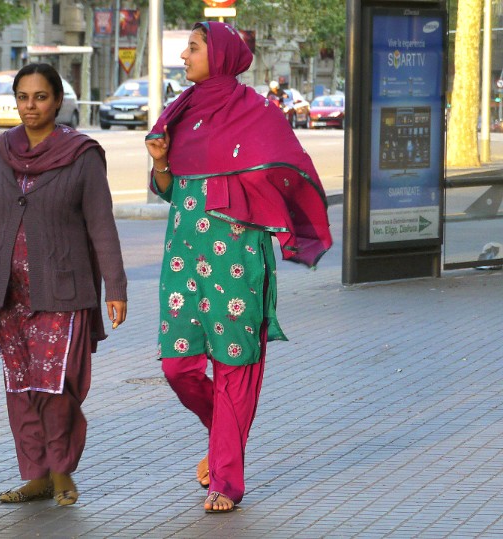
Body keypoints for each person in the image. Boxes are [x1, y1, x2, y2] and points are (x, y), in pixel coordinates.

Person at [144, 22, 332, 514]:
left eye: (193, 47)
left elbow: (290, 170)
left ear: (221, 55)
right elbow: (170, 189)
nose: (184, 55)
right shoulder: (179, 112)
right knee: (177, 366)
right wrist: (160, 162)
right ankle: (223, 437)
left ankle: (226, 481)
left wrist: (272, 204)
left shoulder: (257, 113)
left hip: (235, 259)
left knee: (234, 364)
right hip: (183, 260)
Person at [0, 63, 128, 507]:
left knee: (56, 387)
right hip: (10, 293)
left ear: (57, 101)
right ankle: (35, 475)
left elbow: (101, 225)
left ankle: (61, 470)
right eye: (23, 97)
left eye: (40, 97)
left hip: (63, 291)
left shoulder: (81, 154)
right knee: (21, 387)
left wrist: (116, 287)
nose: (30, 106)